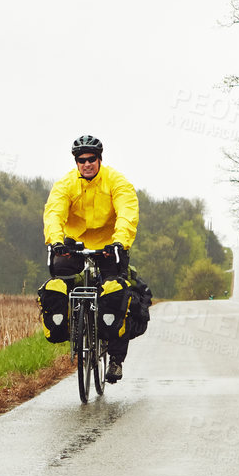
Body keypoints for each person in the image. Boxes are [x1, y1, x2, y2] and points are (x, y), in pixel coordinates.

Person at [44, 134, 139, 382]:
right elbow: (54, 213)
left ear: (100, 159)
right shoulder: (65, 185)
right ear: (76, 162)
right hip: (74, 243)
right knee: (59, 281)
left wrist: (120, 242)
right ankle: (73, 324)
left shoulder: (116, 181)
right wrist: (55, 241)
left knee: (116, 294)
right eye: (81, 160)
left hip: (110, 245)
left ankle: (116, 360)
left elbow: (127, 213)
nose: (87, 164)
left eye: (92, 159)